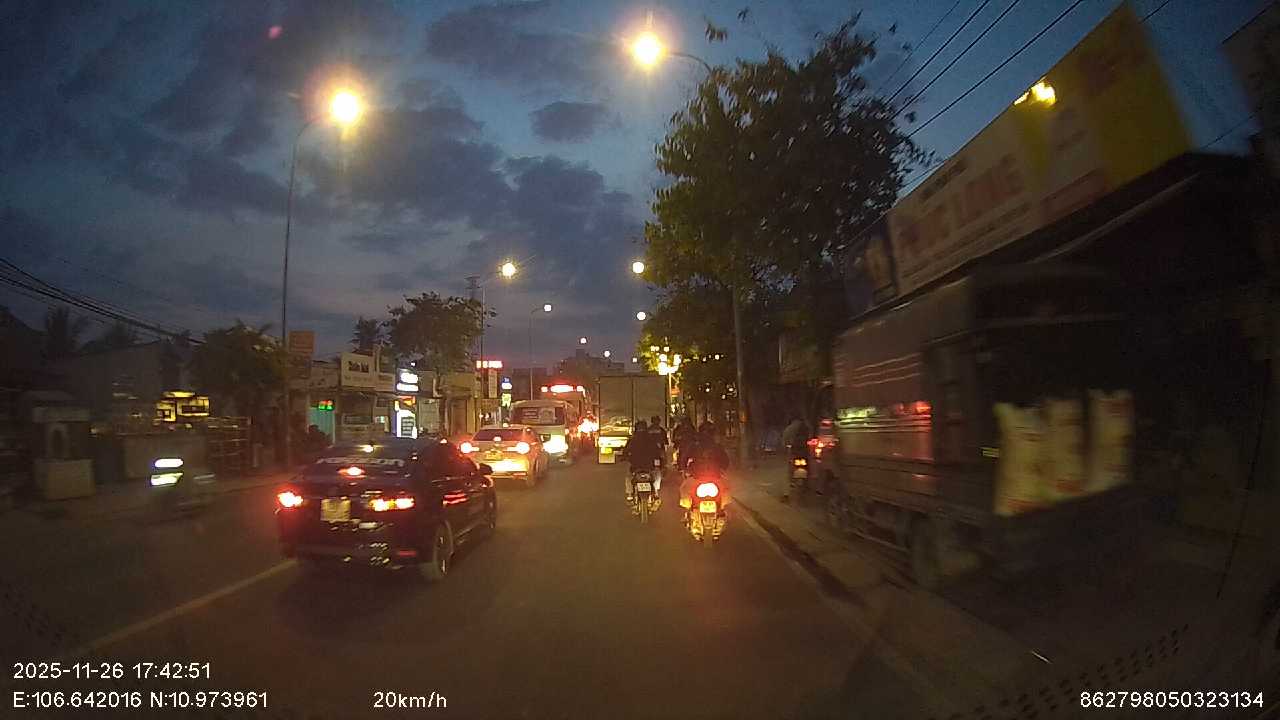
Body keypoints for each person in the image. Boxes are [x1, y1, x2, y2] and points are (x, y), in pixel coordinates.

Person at [679, 426, 732, 519]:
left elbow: (684, 460)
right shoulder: (717, 447)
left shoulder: (694, 446)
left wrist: (685, 469)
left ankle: (688, 512)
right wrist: (721, 470)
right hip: (715, 477)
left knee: (684, 489)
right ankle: (721, 510)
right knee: (726, 489)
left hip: (696, 476)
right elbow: (726, 461)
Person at [623, 420, 663, 503]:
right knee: (657, 474)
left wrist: (625, 457)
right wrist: (659, 460)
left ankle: (630, 494)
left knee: (628, 477)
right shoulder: (651, 439)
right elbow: (657, 452)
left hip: (635, 466)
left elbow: (625, 451)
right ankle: (656, 492)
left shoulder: (632, 440)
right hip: (649, 466)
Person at [780, 416, 810, 502]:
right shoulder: (807, 427)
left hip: (794, 453)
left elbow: (784, 442)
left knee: (787, 473)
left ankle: (786, 494)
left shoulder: (789, 429)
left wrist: (785, 449)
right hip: (805, 453)